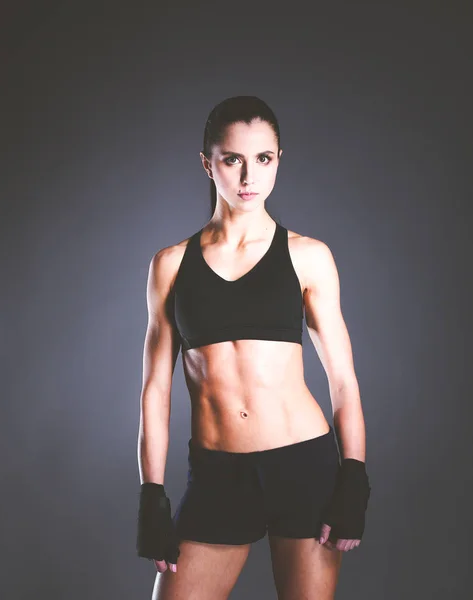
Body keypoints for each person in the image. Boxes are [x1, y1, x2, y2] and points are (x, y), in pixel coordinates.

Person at [136, 96, 371, 600]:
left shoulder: (308, 256)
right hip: (219, 475)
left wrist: (353, 477)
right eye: (231, 159)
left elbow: (343, 378)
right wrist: (151, 495)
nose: (248, 175)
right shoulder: (171, 265)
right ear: (208, 164)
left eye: (263, 158)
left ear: (278, 159)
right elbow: (156, 391)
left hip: (303, 468)